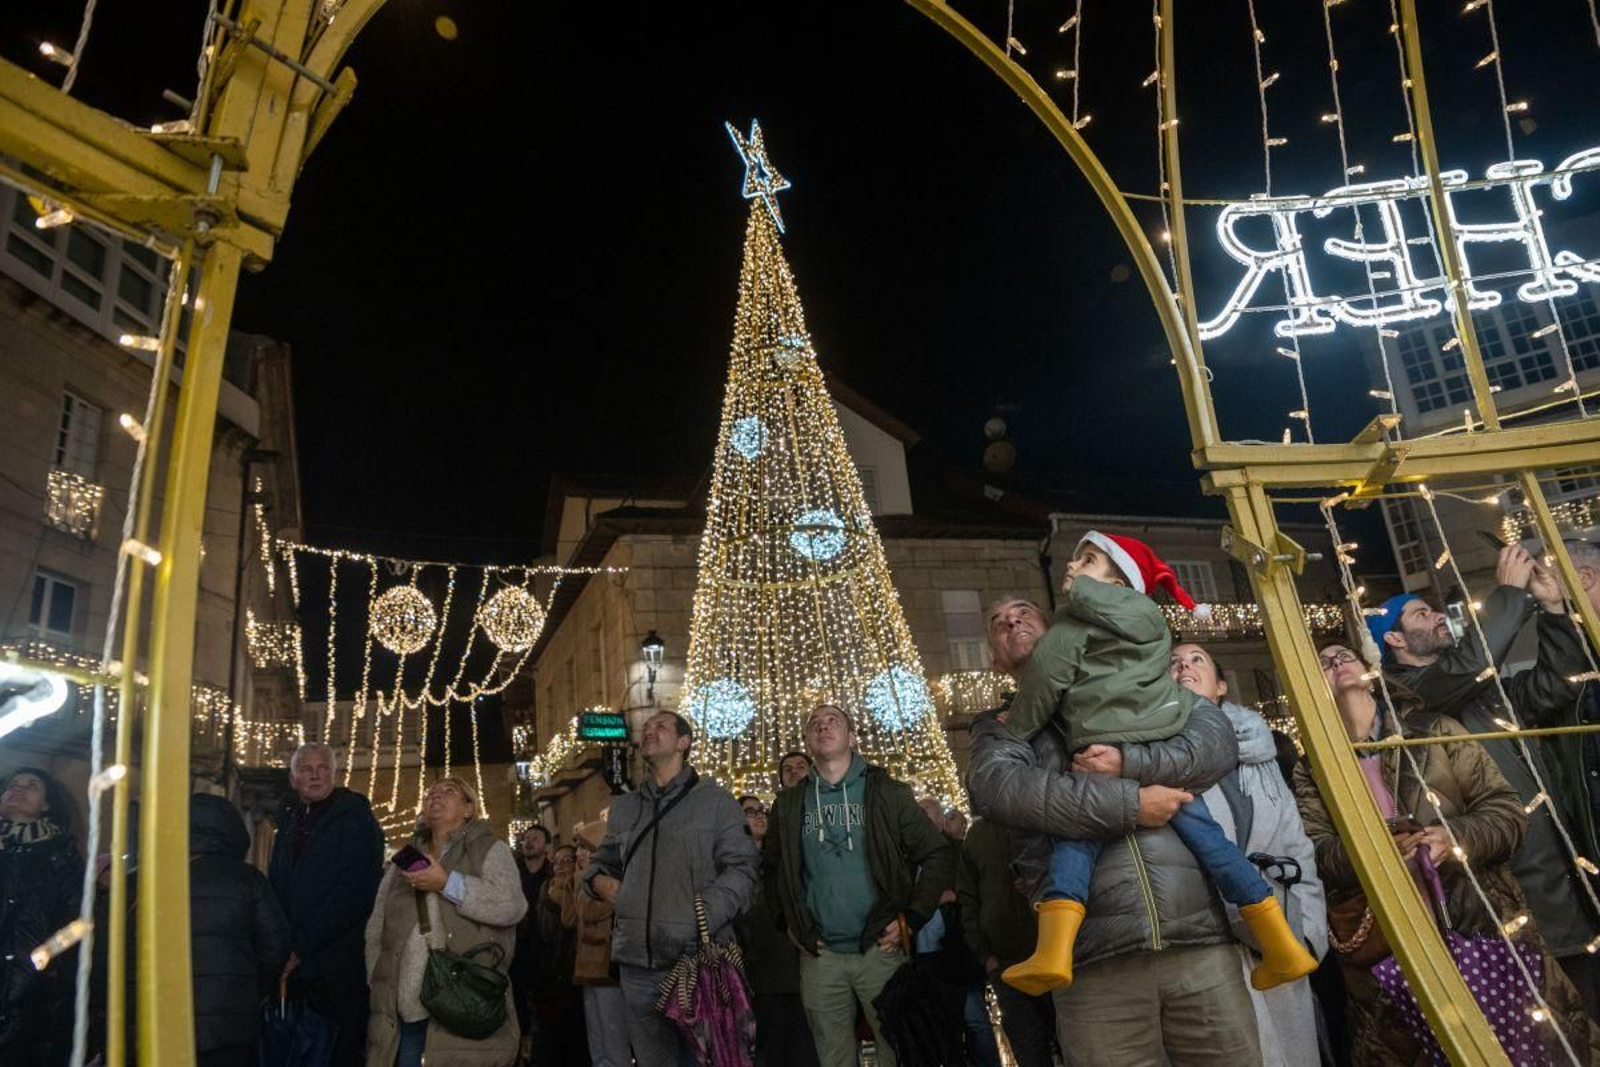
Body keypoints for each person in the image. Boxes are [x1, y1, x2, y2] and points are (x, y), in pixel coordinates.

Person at [999, 532, 1315, 996]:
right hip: (1163, 739)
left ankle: (1053, 952)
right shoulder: (1150, 618)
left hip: (1102, 743)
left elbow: (1046, 680)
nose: (1071, 567)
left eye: (1086, 560)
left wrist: (1016, 728)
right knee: (1214, 844)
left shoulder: (1072, 624)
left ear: (1118, 580)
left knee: (1075, 843)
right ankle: (1282, 943)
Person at [968, 597, 1263, 1066]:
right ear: (994, 659)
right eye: (997, 621)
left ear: (1060, 630)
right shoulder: (1003, 728)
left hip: (1199, 944)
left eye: (1024, 611)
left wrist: (1129, 762)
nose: (1011, 620)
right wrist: (1131, 804)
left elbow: (1215, 743)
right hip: (1091, 963)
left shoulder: (1139, 686)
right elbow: (1000, 789)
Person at [1298, 641, 1600, 1063]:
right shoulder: (1313, 765)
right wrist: (1376, 851)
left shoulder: (1433, 730)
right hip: (1388, 945)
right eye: (1324, 664)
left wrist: (1452, 837)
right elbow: (1319, 853)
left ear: (1371, 669)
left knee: (1525, 1048)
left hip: (1477, 922)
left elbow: (1507, 811)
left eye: (1345, 656)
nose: (1336, 665)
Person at [1372, 543, 1600, 1018]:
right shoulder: (1409, 694)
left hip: (1560, 873)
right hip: (1509, 892)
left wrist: (1555, 611)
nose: (1436, 616)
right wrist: (1509, 595)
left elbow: (1556, 684)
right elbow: (1469, 665)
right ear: (1393, 640)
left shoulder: (1478, 688)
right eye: (1419, 614)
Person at [762, 703, 956, 1067]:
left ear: (852, 737)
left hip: (880, 948)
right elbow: (770, 868)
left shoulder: (887, 793)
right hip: (820, 955)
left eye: (833, 720)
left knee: (897, 1050)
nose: (823, 726)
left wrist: (911, 919)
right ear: (807, 740)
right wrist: (785, 923)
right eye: (814, 723)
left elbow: (937, 854)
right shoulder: (789, 803)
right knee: (833, 1056)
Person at [1170, 642, 1328, 1066]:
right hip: (1209, 937)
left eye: (1197, 659)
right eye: (1174, 663)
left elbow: (1296, 841)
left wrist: (1310, 929)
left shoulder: (1260, 750)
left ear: (1221, 685)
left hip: (1278, 924)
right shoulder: (1163, 755)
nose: (1184, 665)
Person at [583, 710, 759, 1065]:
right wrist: (598, 881)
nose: (649, 730)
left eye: (660, 726)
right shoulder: (625, 807)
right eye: (646, 727)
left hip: (695, 963)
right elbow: (601, 862)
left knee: (704, 1059)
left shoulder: (716, 803)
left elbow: (743, 870)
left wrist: (701, 916)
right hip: (636, 965)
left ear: (683, 742)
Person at [365, 776, 527, 1067]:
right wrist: (377, 978)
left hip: (461, 1006)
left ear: (468, 809)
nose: (435, 796)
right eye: (430, 793)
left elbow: (511, 906)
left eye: (448, 792)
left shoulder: (489, 849)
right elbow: (377, 926)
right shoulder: (405, 857)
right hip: (403, 1011)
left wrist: (446, 883)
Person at [268, 743, 384, 1065]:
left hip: (337, 965)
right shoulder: (288, 824)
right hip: (297, 967)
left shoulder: (355, 820)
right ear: (293, 778)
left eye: (323, 768)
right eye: (306, 769)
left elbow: (355, 893)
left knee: (336, 1053)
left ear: (334, 775)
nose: (315, 775)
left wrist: (300, 947)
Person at [190, 792, 291, 1067]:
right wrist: (250, 989)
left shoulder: (141, 880)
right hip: (229, 1023)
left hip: (154, 1021)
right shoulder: (248, 881)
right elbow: (275, 947)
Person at [957, 816, 1055, 1067]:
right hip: (1005, 962)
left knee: (1073, 1041)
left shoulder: (1040, 818)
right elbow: (968, 898)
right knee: (1029, 1050)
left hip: (1054, 951)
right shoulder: (978, 835)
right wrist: (985, 956)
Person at [0, 766, 82, 1066]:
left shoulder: (62, 860)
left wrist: (43, 967)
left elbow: (76, 925)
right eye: (12, 785)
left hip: (35, 1002)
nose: (17, 790)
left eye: (31, 786)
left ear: (47, 806)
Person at [735, 795, 819, 1067]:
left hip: (792, 967)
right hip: (755, 973)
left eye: (763, 811)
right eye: (750, 811)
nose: (760, 815)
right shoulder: (730, 866)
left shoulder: (781, 861)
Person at [551, 821, 629, 1067]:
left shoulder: (610, 881)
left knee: (613, 1041)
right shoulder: (583, 879)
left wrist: (585, 877)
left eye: (585, 848)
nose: (579, 854)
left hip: (607, 970)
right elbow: (569, 919)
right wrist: (571, 882)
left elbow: (591, 911)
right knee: (597, 1043)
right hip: (587, 970)